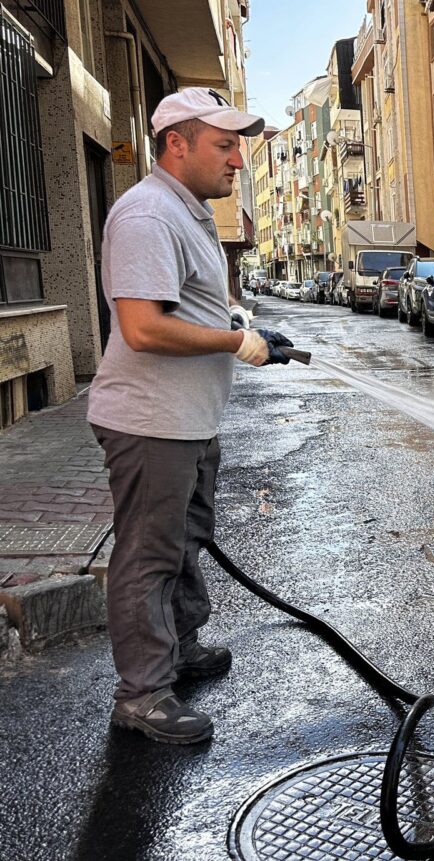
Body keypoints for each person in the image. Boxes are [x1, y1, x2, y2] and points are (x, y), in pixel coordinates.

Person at [87, 89, 293, 745]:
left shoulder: (190, 214)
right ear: (178, 142)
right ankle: (143, 694)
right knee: (149, 555)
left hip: (189, 420)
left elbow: (191, 306)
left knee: (185, 538)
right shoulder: (148, 214)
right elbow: (144, 327)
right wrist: (235, 342)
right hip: (151, 421)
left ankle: (178, 648)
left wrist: (238, 325)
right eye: (225, 144)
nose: (238, 160)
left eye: (239, 146)